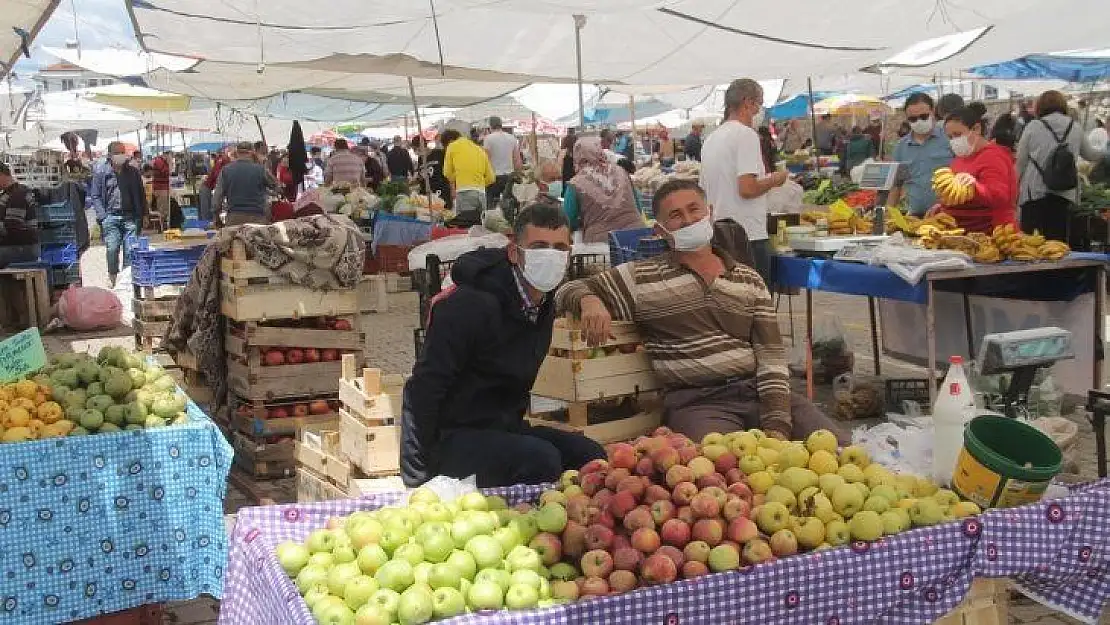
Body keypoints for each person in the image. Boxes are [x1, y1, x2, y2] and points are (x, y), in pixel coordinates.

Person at [556, 179, 846, 443]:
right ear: (660, 231)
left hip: (758, 392)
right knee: (727, 471)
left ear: (710, 213)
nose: (688, 220)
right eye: (676, 216)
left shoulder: (748, 278)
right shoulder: (641, 278)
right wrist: (590, 301)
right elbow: (566, 290)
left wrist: (778, 424)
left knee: (838, 450)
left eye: (694, 210)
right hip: (698, 403)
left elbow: (771, 356)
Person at [400, 202, 605, 487]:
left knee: (591, 457)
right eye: (539, 246)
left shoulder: (542, 303)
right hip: (450, 438)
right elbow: (422, 388)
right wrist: (417, 479)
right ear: (514, 252)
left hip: (502, 429)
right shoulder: (468, 305)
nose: (550, 256)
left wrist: (589, 300)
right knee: (541, 460)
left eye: (559, 248)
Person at [699, 78, 789, 284]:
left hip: (719, 235)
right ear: (747, 102)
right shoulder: (745, 135)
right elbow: (747, 188)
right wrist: (775, 179)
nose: (759, 110)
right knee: (755, 305)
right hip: (748, 235)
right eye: (759, 104)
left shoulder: (712, 139)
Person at [1016, 90, 1105, 242]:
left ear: (1040, 106)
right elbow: (1091, 155)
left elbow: (1021, 162)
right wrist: (1105, 150)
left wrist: (1015, 190)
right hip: (1064, 193)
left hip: (1034, 192)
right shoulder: (1074, 127)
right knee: (1057, 242)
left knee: (1030, 242)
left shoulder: (1033, 126)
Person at [935, 102, 1017, 234]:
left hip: (992, 233)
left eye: (958, 134)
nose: (954, 141)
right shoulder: (959, 159)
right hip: (961, 233)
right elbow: (957, 194)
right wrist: (942, 206)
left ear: (976, 129)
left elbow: (1000, 196)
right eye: (950, 137)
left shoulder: (993, 156)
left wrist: (975, 186)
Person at [563, 137, 643, 243]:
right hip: (638, 236)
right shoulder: (621, 171)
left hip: (603, 245)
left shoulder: (576, 183)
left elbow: (567, 221)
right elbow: (638, 206)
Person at [888, 92, 954, 217]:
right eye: (913, 119)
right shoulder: (901, 147)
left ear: (933, 111)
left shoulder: (949, 139)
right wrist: (889, 214)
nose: (919, 121)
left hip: (948, 215)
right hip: (915, 216)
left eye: (924, 116)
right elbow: (896, 186)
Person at [90, 141, 146, 286]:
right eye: (118, 152)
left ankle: (127, 279)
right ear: (110, 155)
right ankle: (113, 275)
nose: (121, 155)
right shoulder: (101, 172)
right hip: (111, 216)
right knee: (112, 248)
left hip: (130, 217)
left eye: (123, 152)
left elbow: (141, 194)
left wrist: (143, 214)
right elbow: (95, 195)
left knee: (130, 250)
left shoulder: (133, 172)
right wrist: (103, 217)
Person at [211, 141, 277, 226]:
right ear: (252, 153)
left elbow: (217, 198)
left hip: (234, 218)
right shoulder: (261, 170)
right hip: (257, 218)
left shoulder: (226, 170)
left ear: (237, 153)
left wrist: (216, 218)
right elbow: (277, 187)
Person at [443, 128, 495, 225]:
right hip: (481, 194)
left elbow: (447, 172)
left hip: (464, 192)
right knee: (479, 228)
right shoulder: (479, 149)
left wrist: (457, 178)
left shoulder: (452, 146)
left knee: (464, 227)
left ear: (449, 141)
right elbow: (491, 178)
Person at [0, 163, 40, 267]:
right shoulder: (8, 194)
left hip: (23, 248)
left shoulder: (17, 194)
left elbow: (12, 227)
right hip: (17, 246)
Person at [483, 116, 522, 208]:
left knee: (492, 204)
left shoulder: (488, 139)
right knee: (509, 204)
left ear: (490, 126)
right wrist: (518, 174)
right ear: (501, 125)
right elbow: (517, 160)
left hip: (493, 177)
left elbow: (486, 159)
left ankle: (492, 220)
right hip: (509, 176)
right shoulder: (511, 138)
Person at [414, 136, 452, 209]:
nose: (417, 152)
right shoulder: (420, 159)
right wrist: (418, 178)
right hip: (429, 194)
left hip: (442, 190)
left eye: (417, 149)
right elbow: (422, 175)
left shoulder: (439, 153)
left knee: (445, 212)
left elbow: (449, 171)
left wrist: (452, 188)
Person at [198, 148, 230, 221]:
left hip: (210, 187)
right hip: (210, 188)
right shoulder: (222, 161)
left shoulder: (221, 161)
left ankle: (208, 222)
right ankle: (209, 222)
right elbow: (217, 179)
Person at [150, 150, 172, 226]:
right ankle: (162, 225)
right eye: (170, 155)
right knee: (162, 208)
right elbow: (165, 172)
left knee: (165, 207)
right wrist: (169, 164)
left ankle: (164, 224)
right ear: (166, 154)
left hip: (163, 187)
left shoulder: (162, 161)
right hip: (160, 188)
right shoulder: (159, 161)